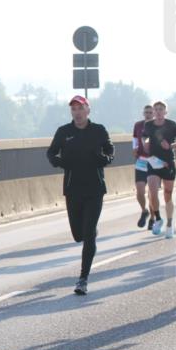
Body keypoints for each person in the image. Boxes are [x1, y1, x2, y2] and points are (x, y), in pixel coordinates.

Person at [46, 96, 115, 295]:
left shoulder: (99, 130)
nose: (77, 112)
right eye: (74, 109)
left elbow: (110, 151)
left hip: (95, 188)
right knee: (78, 235)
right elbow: (51, 152)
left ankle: (83, 279)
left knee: (88, 233)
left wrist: (104, 158)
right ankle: (89, 233)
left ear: (88, 110)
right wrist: (57, 162)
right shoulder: (64, 132)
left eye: (80, 108)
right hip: (72, 188)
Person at [141, 101, 176, 238]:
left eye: (161, 109)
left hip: (167, 163)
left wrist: (171, 146)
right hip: (153, 163)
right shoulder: (148, 125)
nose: (159, 112)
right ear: (153, 112)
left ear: (166, 111)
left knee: (167, 195)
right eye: (156, 109)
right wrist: (145, 143)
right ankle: (159, 219)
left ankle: (170, 224)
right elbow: (144, 136)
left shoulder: (172, 125)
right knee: (152, 192)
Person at [132, 104, 154, 228]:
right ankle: (144, 211)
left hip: (153, 162)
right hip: (141, 161)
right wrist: (134, 148)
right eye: (146, 112)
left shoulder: (157, 126)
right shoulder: (138, 125)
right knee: (140, 191)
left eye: (150, 112)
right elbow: (135, 138)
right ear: (143, 113)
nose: (148, 114)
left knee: (152, 192)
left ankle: (153, 217)